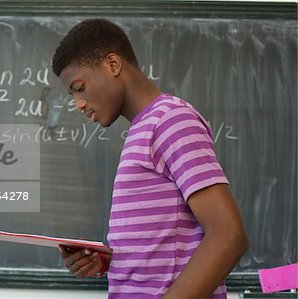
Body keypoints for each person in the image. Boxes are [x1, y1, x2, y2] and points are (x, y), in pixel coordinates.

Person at [51, 19, 249, 299]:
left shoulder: (172, 120)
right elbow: (165, 245)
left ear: (113, 65)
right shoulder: (142, 131)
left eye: (79, 87)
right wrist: (106, 262)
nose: (78, 104)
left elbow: (228, 236)